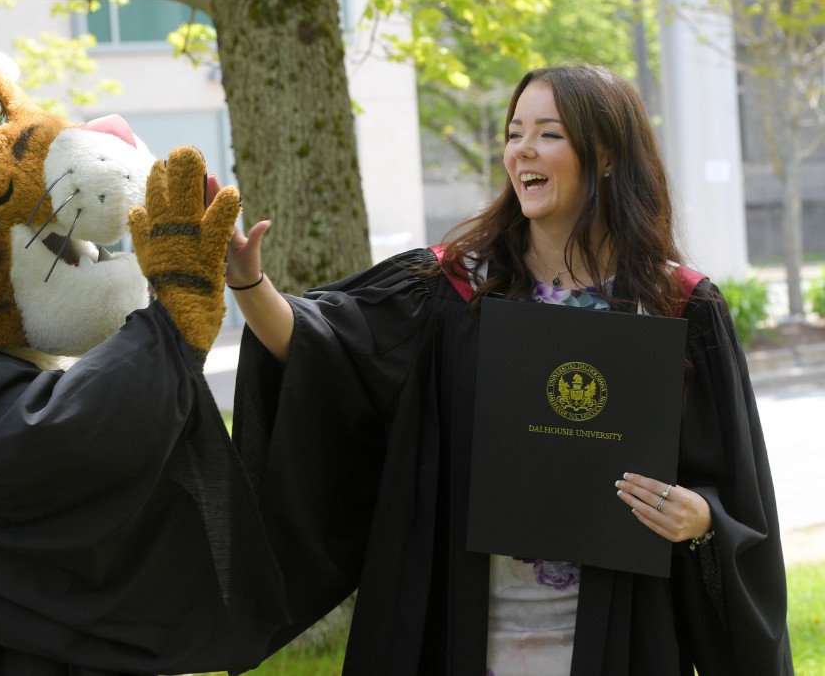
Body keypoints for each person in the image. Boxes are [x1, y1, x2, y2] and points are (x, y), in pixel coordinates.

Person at [221, 64, 793, 675]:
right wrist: (248, 283)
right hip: (461, 624)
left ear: (604, 155)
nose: (523, 149)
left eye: (549, 133)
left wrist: (700, 518)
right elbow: (321, 349)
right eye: (514, 132)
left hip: (617, 630)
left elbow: (733, 486)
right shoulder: (452, 289)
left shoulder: (677, 305)